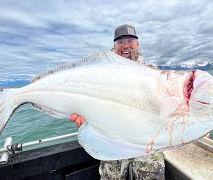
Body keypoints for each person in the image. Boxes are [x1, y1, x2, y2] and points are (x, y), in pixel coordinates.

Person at [70, 24, 165, 180]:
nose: (126, 45)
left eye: (130, 40)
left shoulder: (153, 73)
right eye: (120, 42)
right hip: (112, 146)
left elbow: (168, 104)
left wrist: (196, 126)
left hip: (147, 148)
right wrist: (85, 117)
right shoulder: (101, 75)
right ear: (114, 47)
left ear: (138, 44)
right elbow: (91, 101)